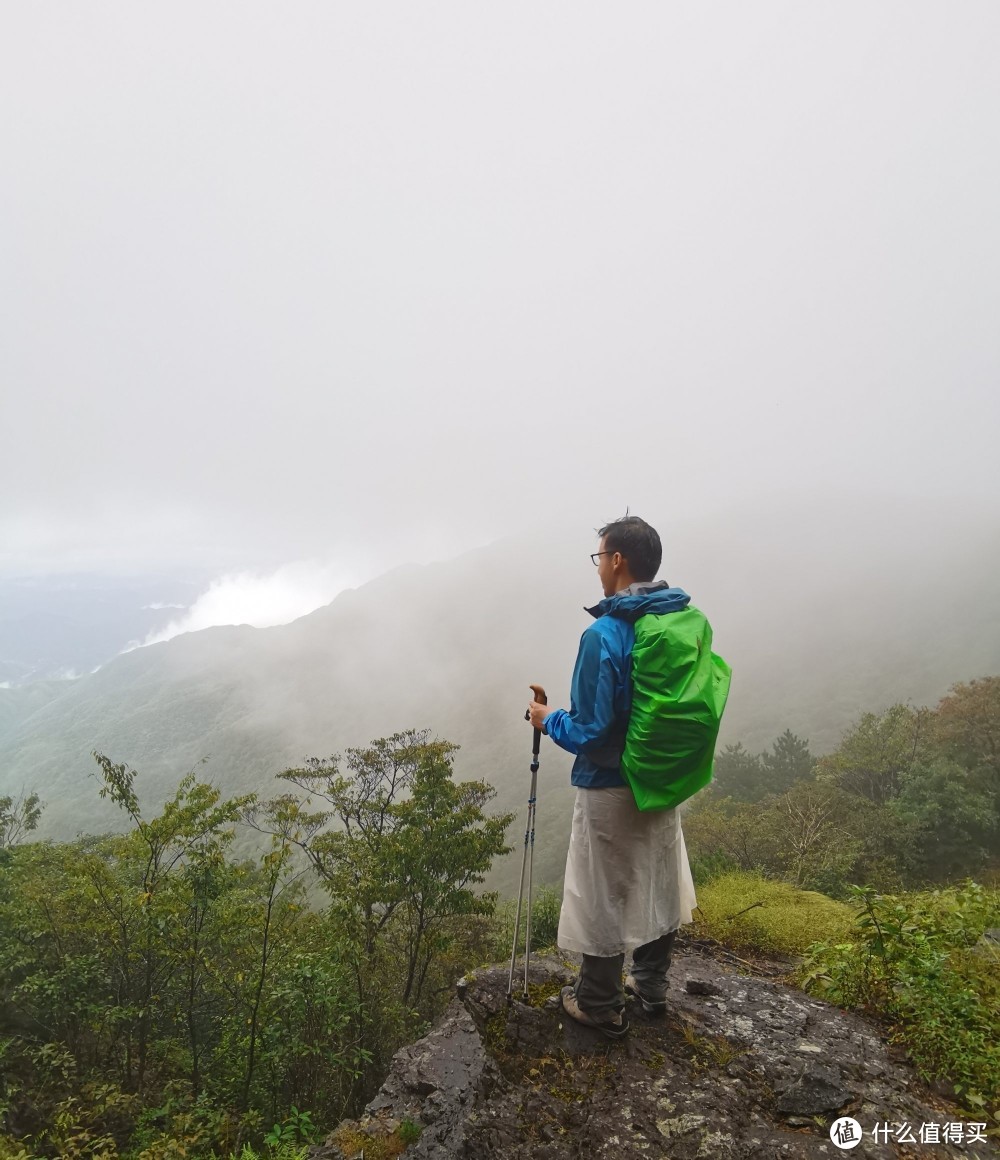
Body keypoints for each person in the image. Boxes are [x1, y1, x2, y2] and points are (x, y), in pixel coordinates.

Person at [527, 515, 698, 1038]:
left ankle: (599, 1002)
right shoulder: (678, 623)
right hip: (661, 777)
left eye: (599, 556)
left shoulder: (604, 634)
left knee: (603, 889)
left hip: (609, 785)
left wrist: (546, 719)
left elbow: (593, 730)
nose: (598, 566)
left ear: (617, 560)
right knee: (657, 876)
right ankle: (651, 987)